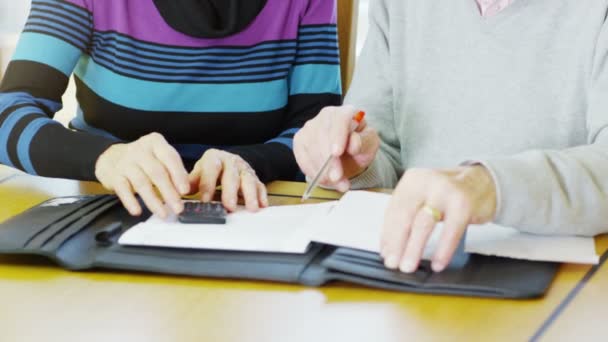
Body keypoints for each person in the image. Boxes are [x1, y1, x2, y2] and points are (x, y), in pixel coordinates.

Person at [294, 0, 608, 274]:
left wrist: (489, 186)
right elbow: (385, 150)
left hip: (566, 284)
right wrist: (357, 163)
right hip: (410, 266)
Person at [0, 0, 341, 217]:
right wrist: (106, 157)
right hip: (106, 210)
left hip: (251, 214)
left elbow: (317, 138)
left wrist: (251, 161)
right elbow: (7, 115)